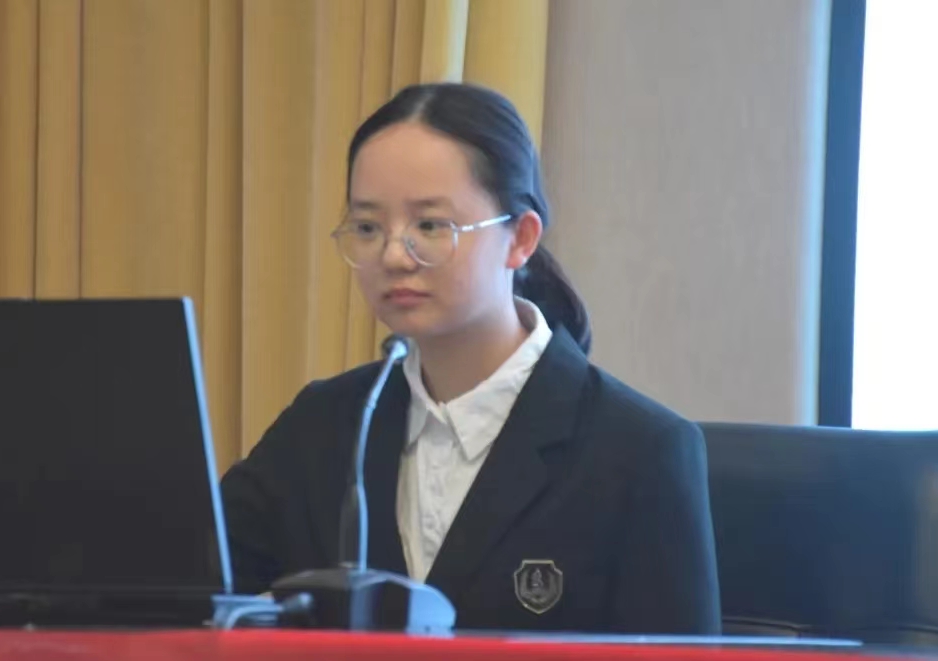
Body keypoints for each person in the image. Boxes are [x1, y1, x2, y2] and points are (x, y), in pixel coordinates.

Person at [220, 83, 720, 634]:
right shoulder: (324, 427)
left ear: (521, 238)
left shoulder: (639, 453)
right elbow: (188, 585)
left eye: (430, 226)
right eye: (368, 228)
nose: (393, 255)